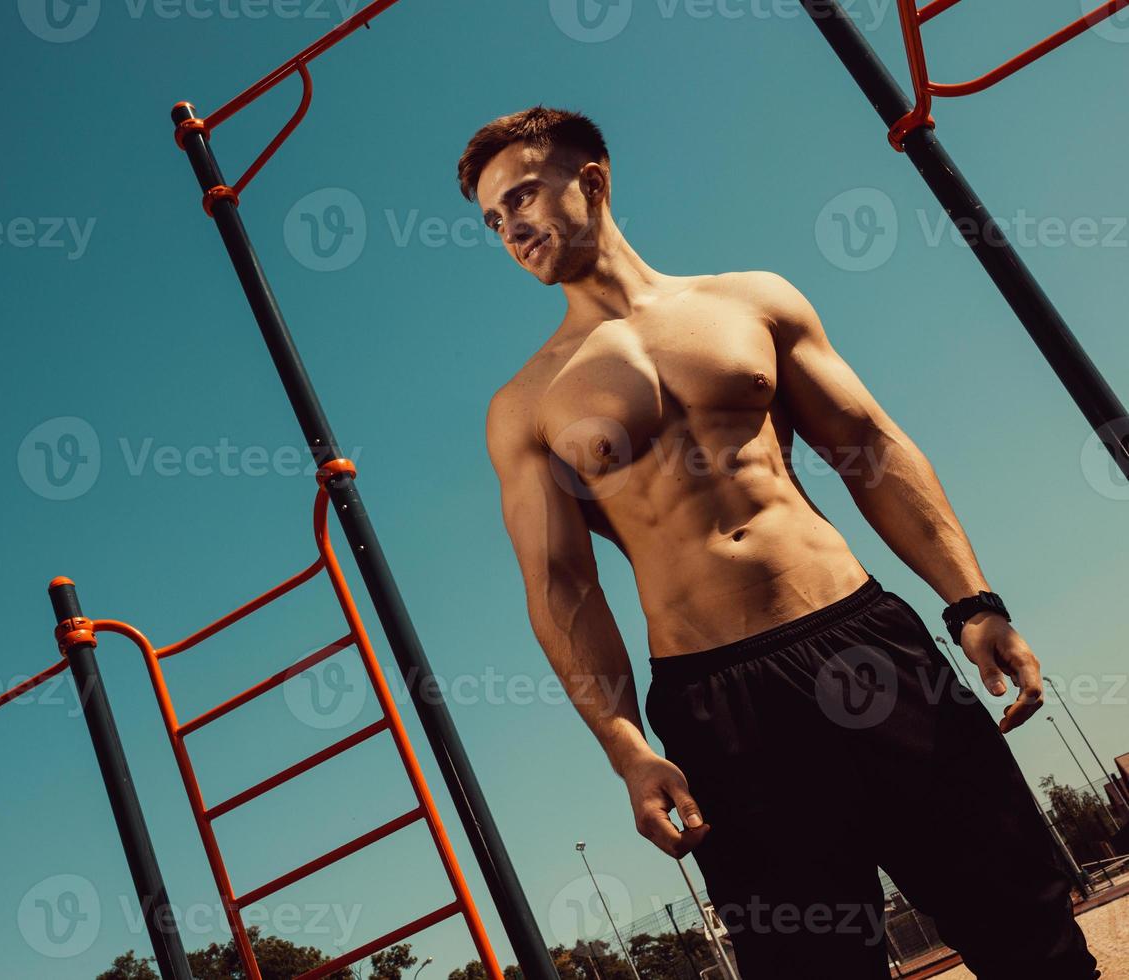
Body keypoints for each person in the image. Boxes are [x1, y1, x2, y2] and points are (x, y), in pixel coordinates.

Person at [464, 105, 1100, 980]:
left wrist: (974, 602)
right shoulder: (527, 402)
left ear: (595, 182)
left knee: (1032, 937)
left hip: (863, 640)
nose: (513, 229)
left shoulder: (749, 300)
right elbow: (562, 586)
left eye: (525, 196)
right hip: (719, 708)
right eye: (495, 219)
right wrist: (625, 746)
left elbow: (869, 450)